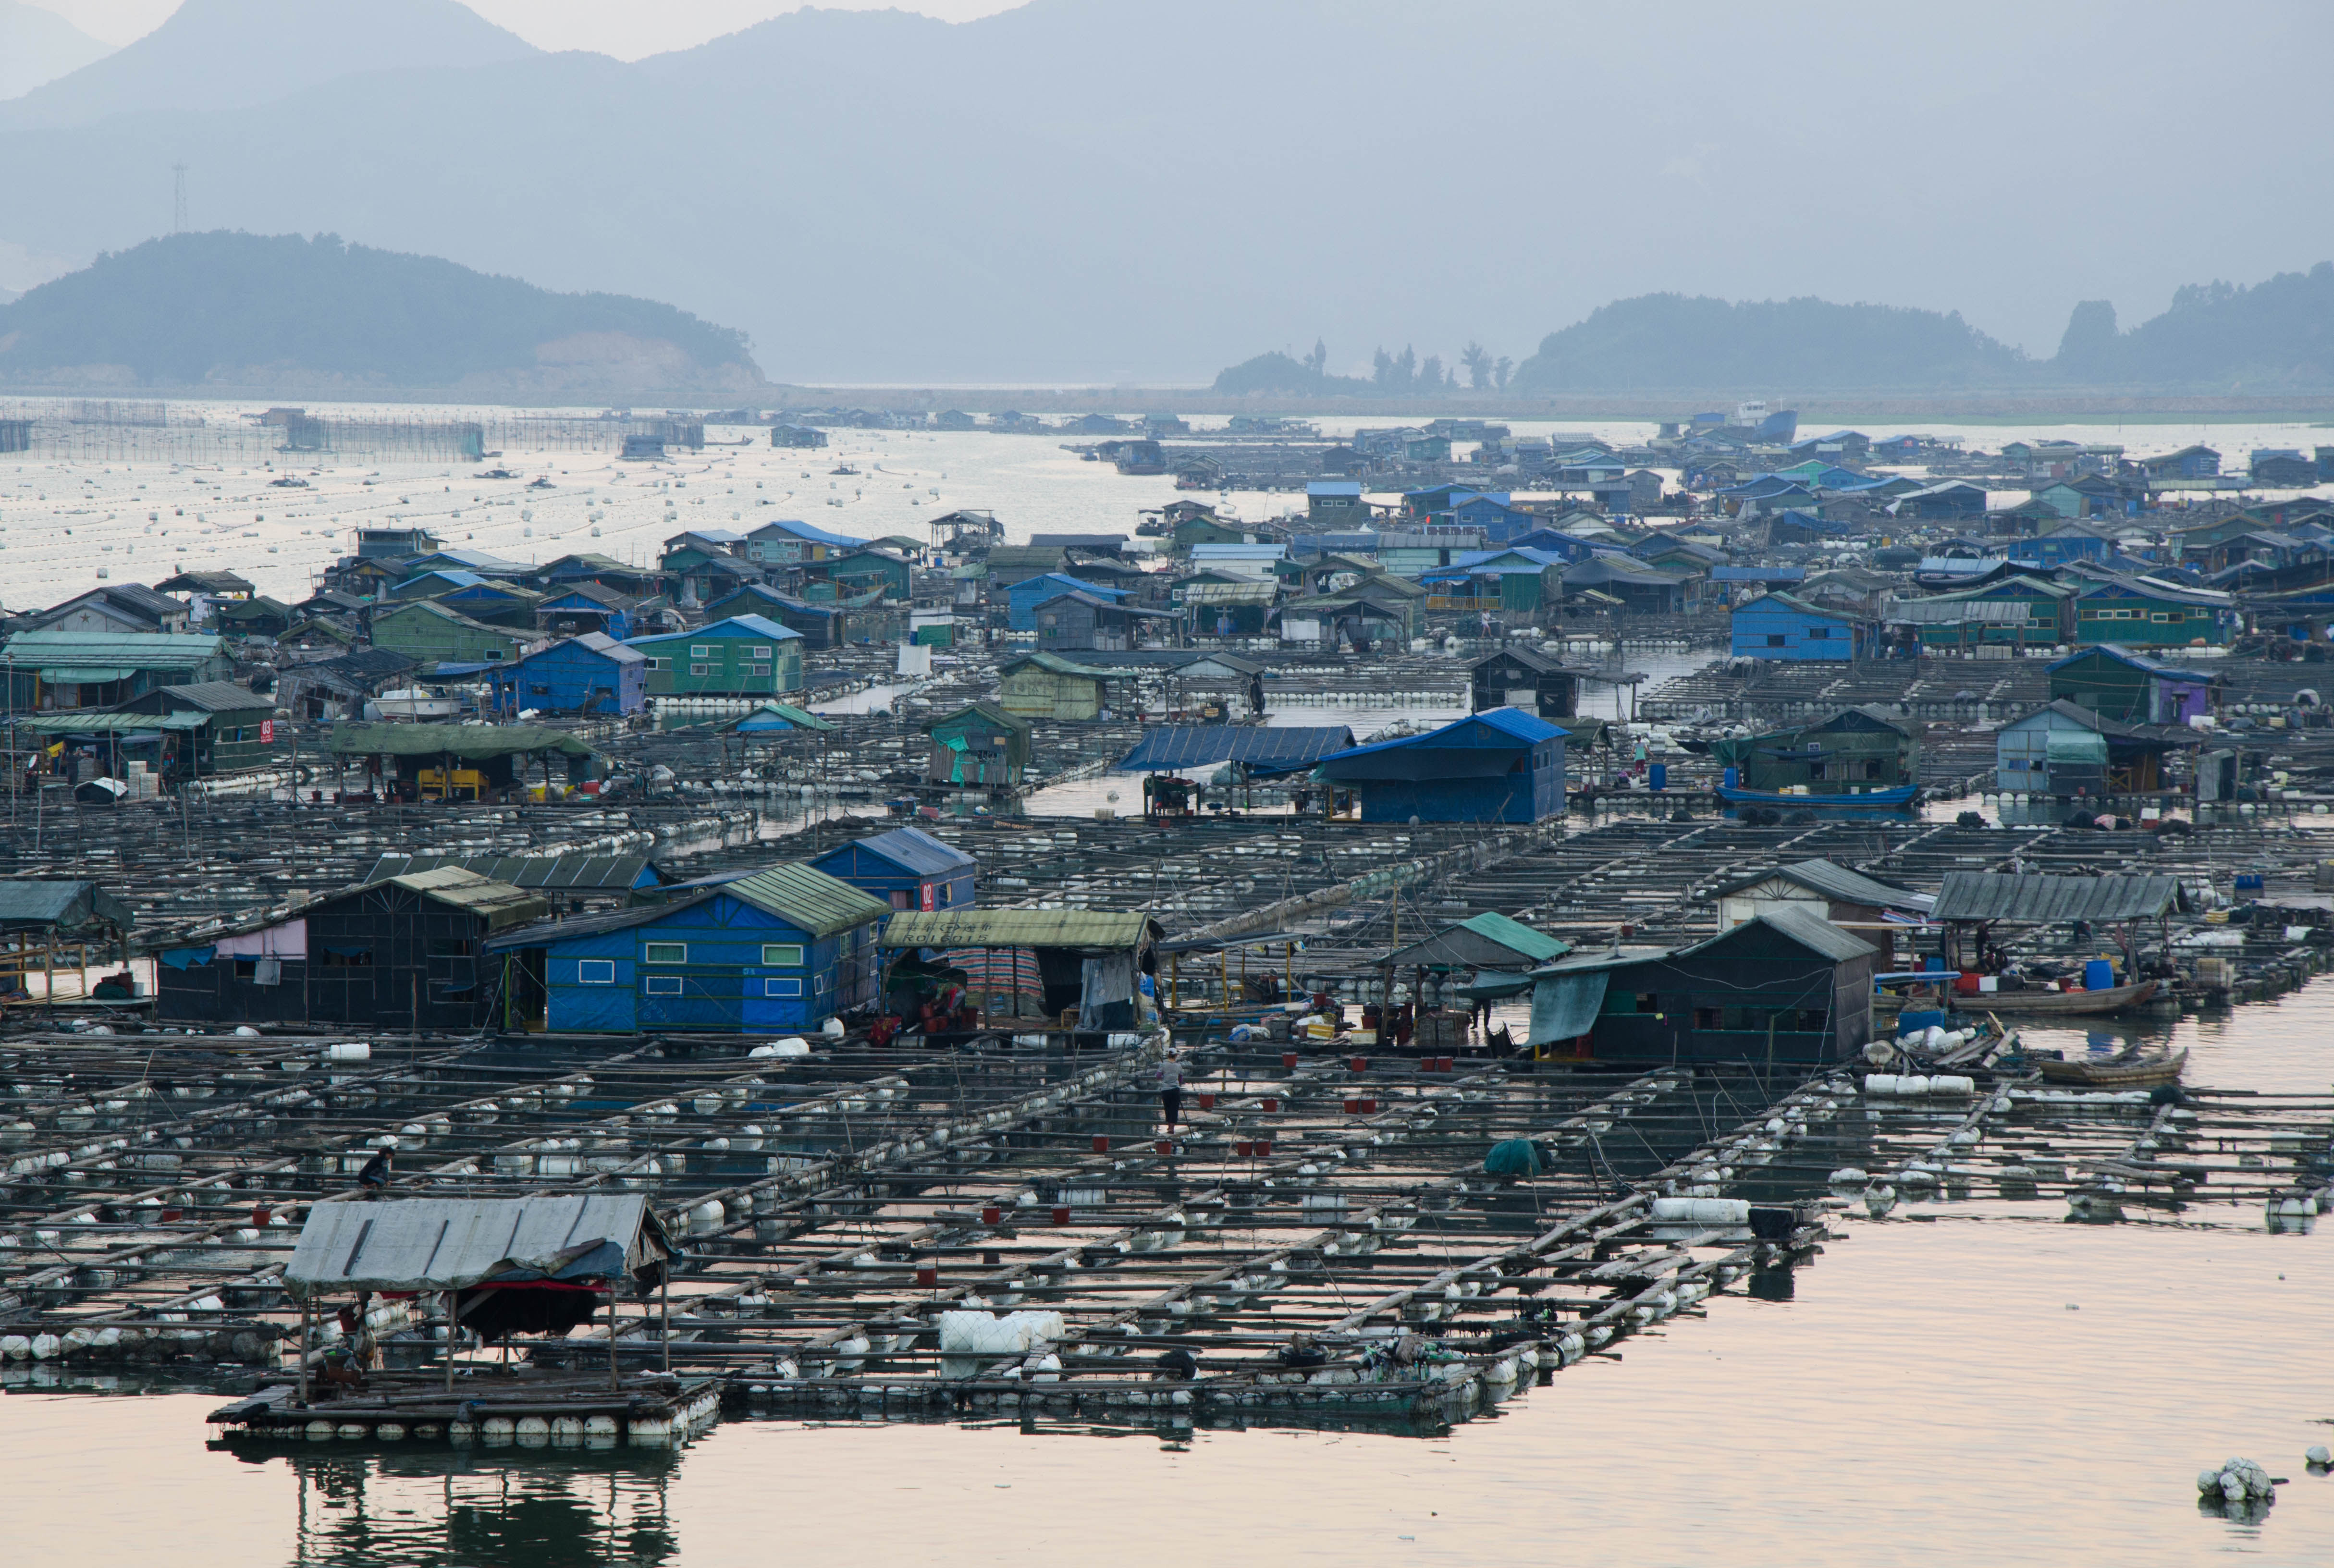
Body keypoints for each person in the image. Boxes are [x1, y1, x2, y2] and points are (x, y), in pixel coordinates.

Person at [1158, 1050, 1183, 1133]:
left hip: (1165, 1090)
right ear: (1176, 1056)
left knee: (1167, 1108)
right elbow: (1180, 1079)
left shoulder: (1163, 1065)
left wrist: (1164, 1078)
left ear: (1168, 1056)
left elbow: (1158, 1076)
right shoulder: (1179, 1066)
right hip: (1175, 1089)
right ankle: (1172, 1128)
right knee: (1174, 1109)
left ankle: (1169, 1127)